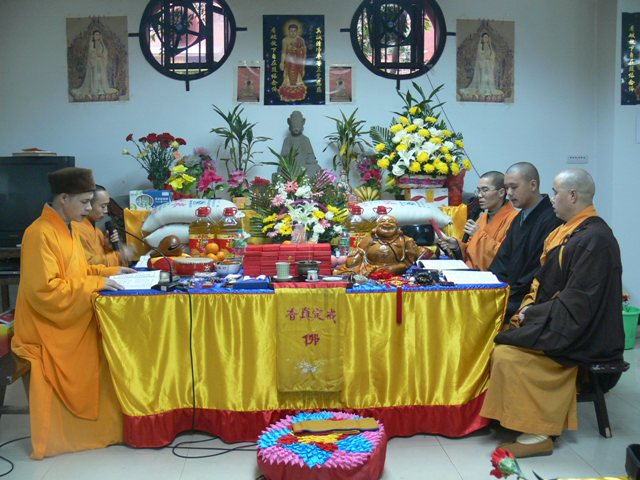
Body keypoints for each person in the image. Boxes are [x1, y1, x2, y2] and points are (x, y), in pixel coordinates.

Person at [480, 168, 624, 458]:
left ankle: (539, 434)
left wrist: (533, 316)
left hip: (583, 333)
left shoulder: (594, 239)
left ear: (573, 195)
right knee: (502, 341)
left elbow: (578, 302)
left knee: (509, 354)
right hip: (559, 318)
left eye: (556, 193)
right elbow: (543, 281)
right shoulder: (567, 231)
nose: (551, 198)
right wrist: (528, 308)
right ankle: (515, 420)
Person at [12, 167, 134, 459]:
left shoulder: (65, 228)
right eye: (84, 202)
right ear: (63, 198)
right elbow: (46, 291)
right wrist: (96, 284)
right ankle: (78, 435)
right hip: (47, 325)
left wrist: (110, 271)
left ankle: (111, 428)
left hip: (68, 316)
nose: (90, 209)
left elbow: (78, 271)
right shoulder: (39, 233)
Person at [490, 162, 562, 319]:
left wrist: (506, 298)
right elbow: (502, 260)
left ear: (533, 185)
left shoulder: (551, 219)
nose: (509, 193)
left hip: (527, 301)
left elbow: (538, 269)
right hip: (508, 292)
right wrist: (491, 288)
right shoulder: (519, 218)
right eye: (507, 188)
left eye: (514, 187)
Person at [437, 171, 518, 270]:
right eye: (478, 190)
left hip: (493, 276)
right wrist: (457, 246)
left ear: (501, 192)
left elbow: (505, 256)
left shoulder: (514, 219)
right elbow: (471, 251)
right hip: (472, 272)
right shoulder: (483, 217)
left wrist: (478, 235)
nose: (479, 195)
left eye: (485, 190)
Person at [334, 214, 431, 275]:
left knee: (397, 268)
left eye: (391, 222)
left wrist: (394, 268)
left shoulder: (405, 240)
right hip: (370, 267)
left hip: (393, 267)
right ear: (376, 227)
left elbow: (409, 262)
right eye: (383, 222)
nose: (387, 223)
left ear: (397, 228)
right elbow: (359, 253)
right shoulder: (369, 238)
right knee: (342, 271)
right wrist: (355, 254)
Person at [75, 185, 134, 266]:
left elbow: (102, 260)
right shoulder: (76, 230)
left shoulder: (97, 231)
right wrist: (119, 256)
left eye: (107, 206)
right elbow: (86, 265)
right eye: (103, 206)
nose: (106, 211)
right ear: (88, 205)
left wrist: (108, 247)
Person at [71, 30, 118, 100]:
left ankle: (101, 88)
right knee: (95, 75)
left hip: (100, 63)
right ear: (93, 36)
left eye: (98, 35)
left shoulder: (101, 44)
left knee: (101, 75)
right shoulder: (92, 43)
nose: (97, 36)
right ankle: (95, 88)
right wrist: (96, 55)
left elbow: (104, 52)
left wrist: (101, 55)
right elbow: (91, 53)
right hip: (94, 63)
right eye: (96, 35)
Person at [459, 32, 503, 100]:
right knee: (483, 76)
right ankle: (482, 89)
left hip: (488, 64)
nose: (486, 39)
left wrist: (490, 53)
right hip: (483, 64)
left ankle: (488, 89)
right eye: (485, 37)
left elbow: (492, 54)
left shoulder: (489, 46)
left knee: (488, 77)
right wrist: (484, 57)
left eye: (487, 37)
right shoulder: (480, 46)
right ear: (482, 38)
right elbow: (480, 55)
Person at [279, 110, 320, 176]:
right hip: (291, 168)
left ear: (302, 123)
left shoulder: (305, 140)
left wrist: (310, 160)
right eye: (294, 125)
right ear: (289, 123)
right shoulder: (287, 140)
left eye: (298, 125)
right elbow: (283, 157)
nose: (296, 128)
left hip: (304, 167)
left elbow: (311, 157)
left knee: (316, 168)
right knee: (282, 169)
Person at [278, 22, 307, 102]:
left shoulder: (301, 40)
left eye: (294, 31)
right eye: (291, 31)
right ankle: (287, 96)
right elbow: (284, 53)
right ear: (288, 31)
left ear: (297, 31)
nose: (293, 33)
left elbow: (303, 53)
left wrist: (297, 50)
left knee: (298, 80)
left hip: (298, 64)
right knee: (287, 80)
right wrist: (282, 62)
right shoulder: (285, 40)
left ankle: (298, 96)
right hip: (289, 63)